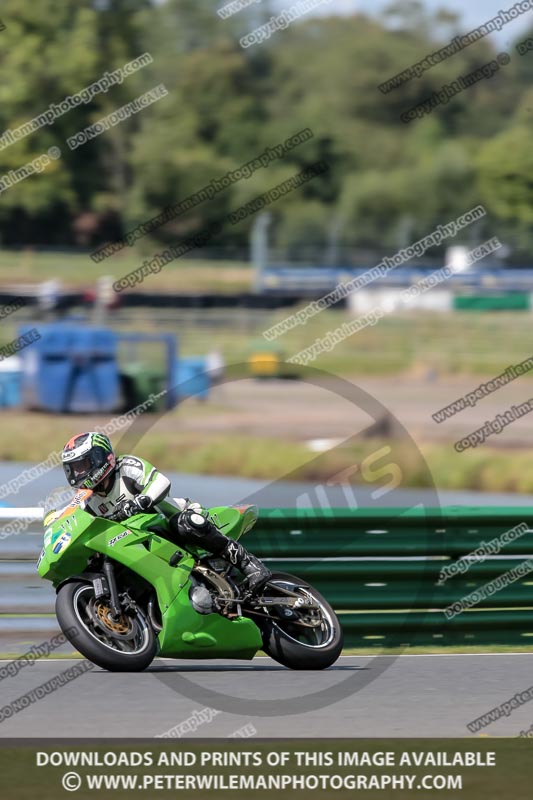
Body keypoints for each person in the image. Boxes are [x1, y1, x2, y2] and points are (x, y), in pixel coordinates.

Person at [60, 432, 271, 594]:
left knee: (186, 523)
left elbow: (161, 482)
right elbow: (77, 520)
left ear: (100, 457)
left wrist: (140, 501)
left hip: (171, 518)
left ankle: (249, 564)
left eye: (83, 465)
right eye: (74, 469)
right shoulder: (86, 500)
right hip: (137, 541)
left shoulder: (126, 467)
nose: (79, 473)